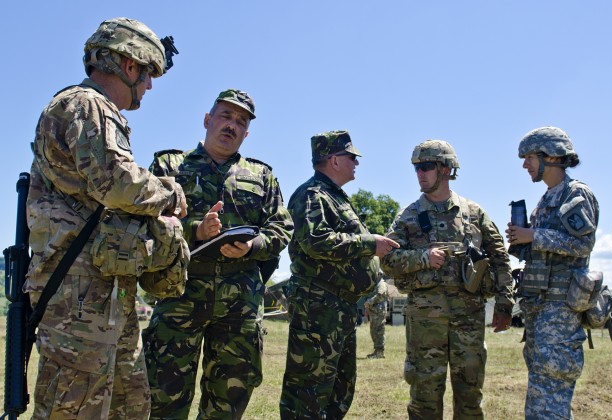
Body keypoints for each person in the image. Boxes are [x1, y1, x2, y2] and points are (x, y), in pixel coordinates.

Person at [24, 17, 185, 419]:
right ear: (130, 66)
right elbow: (117, 183)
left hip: (104, 290)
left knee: (128, 408)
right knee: (73, 410)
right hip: (77, 296)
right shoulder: (88, 103)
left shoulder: (93, 108)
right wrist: (170, 192)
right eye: (148, 76)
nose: (149, 87)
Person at [143, 89, 293, 419]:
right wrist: (195, 230)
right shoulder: (170, 165)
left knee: (227, 405)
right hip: (178, 297)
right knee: (162, 399)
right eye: (225, 116)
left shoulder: (261, 176)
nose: (231, 126)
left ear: (247, 132)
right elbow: (146, 222)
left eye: (241, 121)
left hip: (239, 306)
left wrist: (253, 246)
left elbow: (281, 227)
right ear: (207, 119)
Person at [381, 139, 514, 419]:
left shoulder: (474, 214)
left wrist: (504, 306)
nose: (420, 173)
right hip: (425, 328)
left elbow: (500, 259)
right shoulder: (408, 217)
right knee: (424, 402)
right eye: (416, 167)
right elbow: (387, 260)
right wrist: (423, 258)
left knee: (470, 401)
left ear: (445, 169)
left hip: (469, 323)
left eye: (426, 166)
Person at [279, 130, 400, 419]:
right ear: (333, 160)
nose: (356, 163)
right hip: (318, 306)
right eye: (351, 157)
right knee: (308, 392)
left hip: (340, 307)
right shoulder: (311, 195)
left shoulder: (335, 197)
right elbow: (315, 240)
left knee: (338, 391)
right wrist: (371, 243)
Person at [505, 126, 599, 419]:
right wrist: (522, 242)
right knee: (542, 395)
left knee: (550, 396)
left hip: (559, 313)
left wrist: (534, 236)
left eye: (529, 157)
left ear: (551, 156)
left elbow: (583, 243)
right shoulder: (546, 201)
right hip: (540, 310)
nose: (524, 164)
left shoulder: (576, 194)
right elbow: (549, 250)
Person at [364, 276, 389, 359]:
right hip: (375, 312)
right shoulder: (376, 284)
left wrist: (369, 302)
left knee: (378, 331)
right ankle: (377, 351)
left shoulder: (381, 284)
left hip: (379, 312)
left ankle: (379, 352)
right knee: (374, 331)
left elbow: (379, 295)